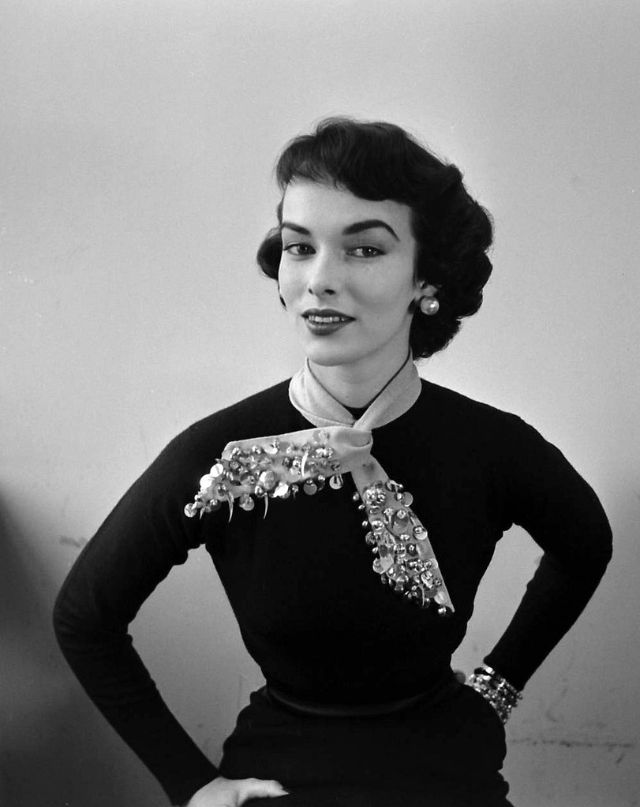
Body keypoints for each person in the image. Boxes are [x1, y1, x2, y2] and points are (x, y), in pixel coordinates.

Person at [53, 117, 612, 807]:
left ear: (426, 276)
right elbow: (84, 615)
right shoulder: (223, 453)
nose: (320, 280)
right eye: (299, 247)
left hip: (449, 766)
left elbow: (587, 542)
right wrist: (190, 783)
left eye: (364, 249)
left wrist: (498, 685)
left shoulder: (492, 445)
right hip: (277, 777)